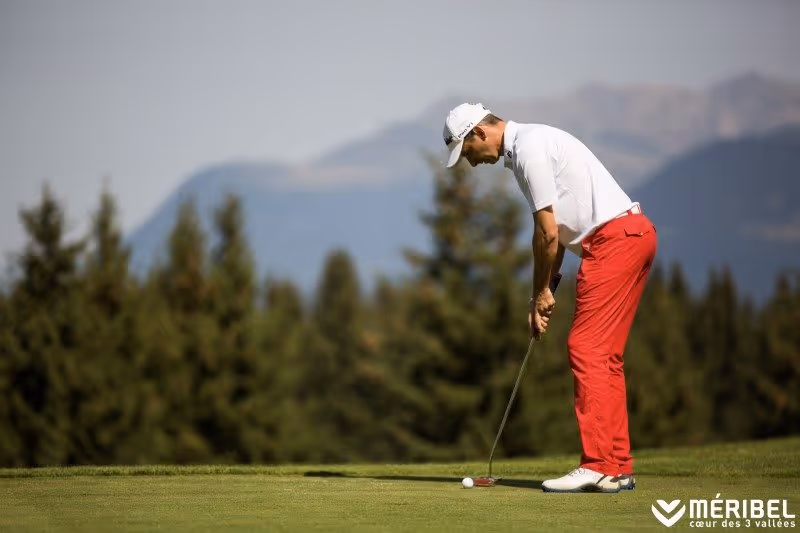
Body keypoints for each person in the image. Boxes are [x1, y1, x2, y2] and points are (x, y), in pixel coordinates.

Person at [442, 103, 657, 493]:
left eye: (467, 152)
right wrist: (545, 291)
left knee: (586, 348)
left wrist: (539, 292)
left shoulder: (528, 149)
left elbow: (546, 233)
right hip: (634, 234)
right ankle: (617, 466)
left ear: (478, 133)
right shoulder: (527, 145)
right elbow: (554, 228)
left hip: (613, 242)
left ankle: (597, 465)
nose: (470, 163)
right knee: (604, 356)